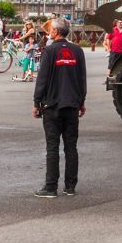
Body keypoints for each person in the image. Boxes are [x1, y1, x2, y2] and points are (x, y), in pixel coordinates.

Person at [33, 17, 87, 198]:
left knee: (52, 147)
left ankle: (50, 187)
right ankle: (70, 186)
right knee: (71, 147)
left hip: (52, 104)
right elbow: (82, 79)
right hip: (72, 104)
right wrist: (81, 101)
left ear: (55, 32)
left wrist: (36, 102)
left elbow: (42, 79)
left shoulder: (49, 51)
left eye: (51, 30)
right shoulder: (77, 51)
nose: (49, 32)